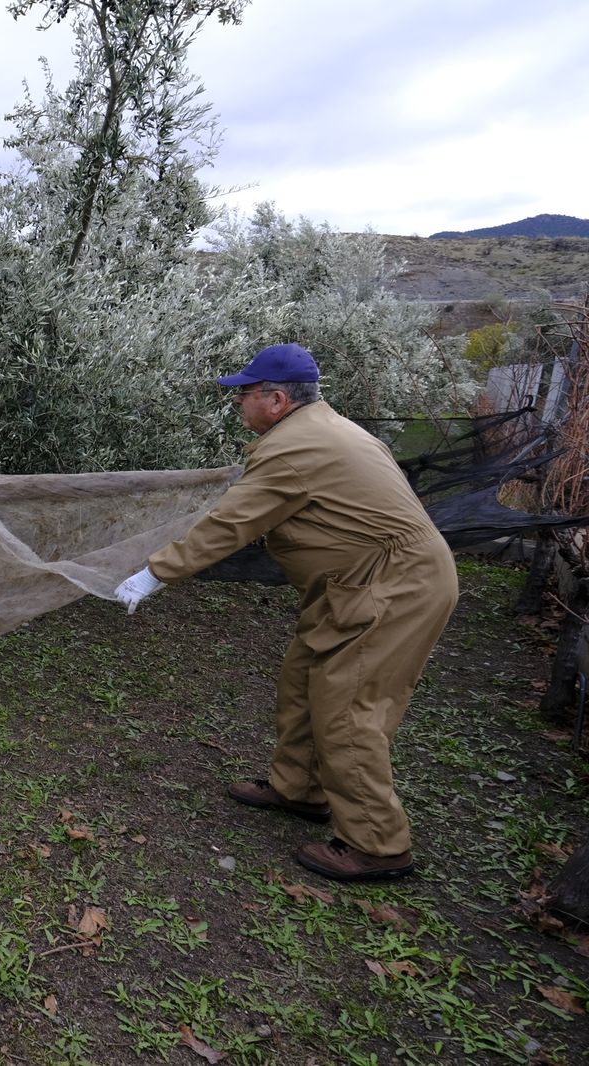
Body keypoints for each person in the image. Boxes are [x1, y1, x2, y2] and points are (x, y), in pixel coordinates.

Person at [113, 343, 457, 882]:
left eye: (245, 393)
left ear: (276, 400)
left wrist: (156, 572)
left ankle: (377, 844)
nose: (238, 403)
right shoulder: (321, 430)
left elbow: (231, 523)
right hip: (357, 582)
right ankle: (298, 789)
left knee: (347, 706)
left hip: (393, 585)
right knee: (302, 680)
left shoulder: (296, 446)